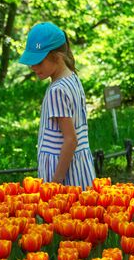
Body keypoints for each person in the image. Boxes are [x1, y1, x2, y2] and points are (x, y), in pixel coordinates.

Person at [19, 22, 96, 190]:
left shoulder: (57, 90)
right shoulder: (73, 78)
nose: (33, 67)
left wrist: (55, 182)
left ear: (58, 56)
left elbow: (70, 140)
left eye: (38, 61)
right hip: (80, 169)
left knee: (65, 216)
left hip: (64, 178)